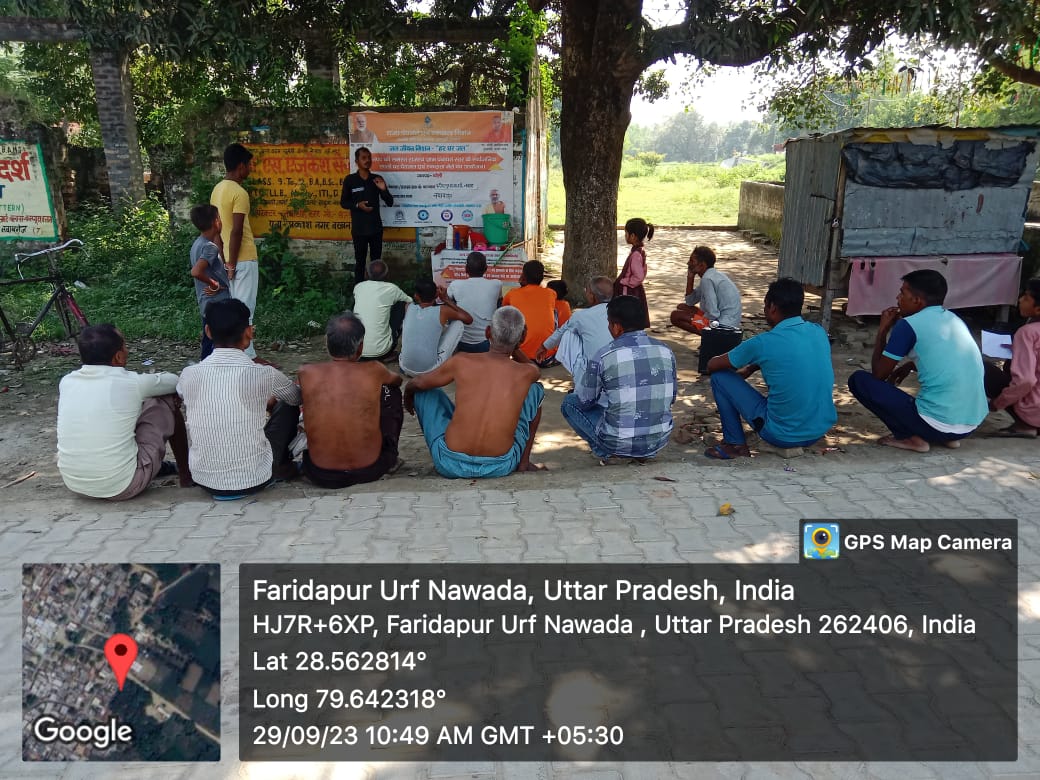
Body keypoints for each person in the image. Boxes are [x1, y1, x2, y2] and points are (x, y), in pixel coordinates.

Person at [848, 270, 988, 452]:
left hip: (936, 424)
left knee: (859, 381)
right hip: (970, 424)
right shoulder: (953, 319)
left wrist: (882, 330)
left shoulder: (908, 325)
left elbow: (879, 375)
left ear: (917, 300)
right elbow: (943, 358)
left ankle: (910, 438)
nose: (897, 298)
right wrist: (908, 366)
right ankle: (946, 437)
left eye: (902, 293)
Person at [176, 299, 301, 497]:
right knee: (288, 407)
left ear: (208, 332)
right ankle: (283, 466)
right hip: (255, 478)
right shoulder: (264, 373)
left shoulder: (189, 374)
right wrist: (270, 402)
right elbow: (296, 398)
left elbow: (187, 395)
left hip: (205, 480)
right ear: (249, 332)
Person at [404, 306, 545, 478]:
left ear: (487, 332)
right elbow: (535, 370)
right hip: (500, 465)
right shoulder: (527, 373)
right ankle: (523, 463)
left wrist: (408, 396)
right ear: (522, 337)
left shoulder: (461, 361)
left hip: (449, 463)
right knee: (535, 390)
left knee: (423, 390)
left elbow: (417, 383)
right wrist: (514, 344)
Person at [705, 277, 836, 459]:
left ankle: (735, 444)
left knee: (720, 377)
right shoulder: (818, 331)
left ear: (772, 307)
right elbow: (791, 356)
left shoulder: (763, 342)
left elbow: (712, 365)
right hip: (818, 430)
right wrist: (752, 367)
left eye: (765, 306)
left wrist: (742, 365)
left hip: (782, 435)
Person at [57, 324, 192, 500]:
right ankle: (186, 474)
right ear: (119, 356)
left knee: (125, 410)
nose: (127, 350)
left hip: (75, 483)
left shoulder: (67, 381)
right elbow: (174, 381)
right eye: (125, 346)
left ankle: (147, 464)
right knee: (165, 398)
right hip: (122, 485)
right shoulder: (132, 383)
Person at [561, 295, 677, 464]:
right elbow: (671, 398)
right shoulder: (665, 350)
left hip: (618, 441)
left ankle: (608, 453)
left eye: (609, 323)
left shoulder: (603, 355)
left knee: (570, 402)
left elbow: (585, 401)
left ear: (617, 327)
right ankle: (641, 453)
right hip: (658, 440)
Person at [298, 313, 404, 488]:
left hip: (320, 473)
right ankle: (390, 456)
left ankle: (282, 463)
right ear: (360, 347)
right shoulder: (375, 369)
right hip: (370, 469)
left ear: (327, 343)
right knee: (391, 392)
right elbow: (397, 381)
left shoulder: (306, 372)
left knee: (290, 398)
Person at [211, 143, 260, 359]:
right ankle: (247, 356)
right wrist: (231, 262)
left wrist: (224, 259)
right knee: (245, 310)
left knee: (233, 308)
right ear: (241, 166)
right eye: (249, 165)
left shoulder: (217, 189)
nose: (250, 169)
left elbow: (216, 229)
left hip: (226, 258)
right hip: (244, 258)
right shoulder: (239, 192)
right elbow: (237, 231)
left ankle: (237, 353)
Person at [669, 246, 743, 373]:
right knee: (682, 308)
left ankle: (710, 338)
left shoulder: (707, 280)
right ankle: (709, 335)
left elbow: (713, 313)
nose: (688, 263)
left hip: (723, 326)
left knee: (675, 316)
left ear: (702, 265)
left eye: (692, 261)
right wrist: (690, 277)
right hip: (726, 321)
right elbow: (690, 301)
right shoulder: (711, 276)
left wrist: (699, 322)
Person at [985, 278, 1040, 438]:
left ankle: (1025, 424)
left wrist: (997, 403)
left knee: (982, 368)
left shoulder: (1028, 332)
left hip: (1034, 410)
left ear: (1038, 309)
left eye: (1026, 298)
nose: (1020, 300)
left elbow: (1025, 381)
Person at [536, 276, 614, 379]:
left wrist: (544, 346)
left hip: (592, 373)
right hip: (618, 367)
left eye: (587, 290)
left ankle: (578, 374)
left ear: (592, 296)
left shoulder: (581, 316)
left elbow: (561, 332)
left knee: (569, 333)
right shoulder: (621, 312)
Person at [399, 278, 473, 376]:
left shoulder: (408, 307)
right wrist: (446, 299)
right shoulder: (443, 310)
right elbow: (468, 319)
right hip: (429, 371)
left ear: (416, 296)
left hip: (405, 366)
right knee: (458, 323)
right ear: (436, 295)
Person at [340, 146, 393, 284]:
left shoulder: (377, 179)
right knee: (360, 262)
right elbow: (343, 203)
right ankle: (358, 290)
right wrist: (358, 205)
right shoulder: (350, 180)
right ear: (356, 161)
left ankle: (377, 289)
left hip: (375, 229)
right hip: (359, 230)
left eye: (369, 157)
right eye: (363, 158)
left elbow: (390, 202)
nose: (367, 160)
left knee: (376, 264)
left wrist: (383, 189)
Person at [188, 204, 230, 361]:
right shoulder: (209, 247)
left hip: (207, 303)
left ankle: (206, 367)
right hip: (217, 302)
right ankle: (210, 368)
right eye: (219, 218)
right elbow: (196, 271)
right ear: (215, 222)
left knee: (209, 339)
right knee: (218, 342)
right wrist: (214, 284)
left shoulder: (198, 243)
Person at [352, 259, 412, 361]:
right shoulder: (392, 289)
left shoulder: (358, 287)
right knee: (402, 304)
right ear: (387, 275)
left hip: (356, 351)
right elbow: (410, 301)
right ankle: (391, 349)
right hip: (381, 352)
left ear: (366, 274)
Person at [503, 260, 558, 364]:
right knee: (554, 311)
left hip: (521, 356)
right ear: (542, 277)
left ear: (523, 276)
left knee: (507, 313)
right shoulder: (551, 293)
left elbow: (503, 309)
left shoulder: (512, 294)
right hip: (547, 356)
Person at [448, 251, 503, 354]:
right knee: (498, 304)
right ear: (486, 269)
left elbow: (445, 301)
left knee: (450, 304)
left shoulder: (455, 285)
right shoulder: (496, 284)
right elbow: (499, 305)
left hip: (462, 341)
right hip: (487, 342)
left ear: (466, 269)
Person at [615, 217, 652, 328]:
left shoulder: (636, 255)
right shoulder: (639, 251)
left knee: (627, 314)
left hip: (629, 291)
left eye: (626, 233)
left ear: (633, 236)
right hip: (632, 289)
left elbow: (639, 276)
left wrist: (625, 281)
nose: (625, 236)